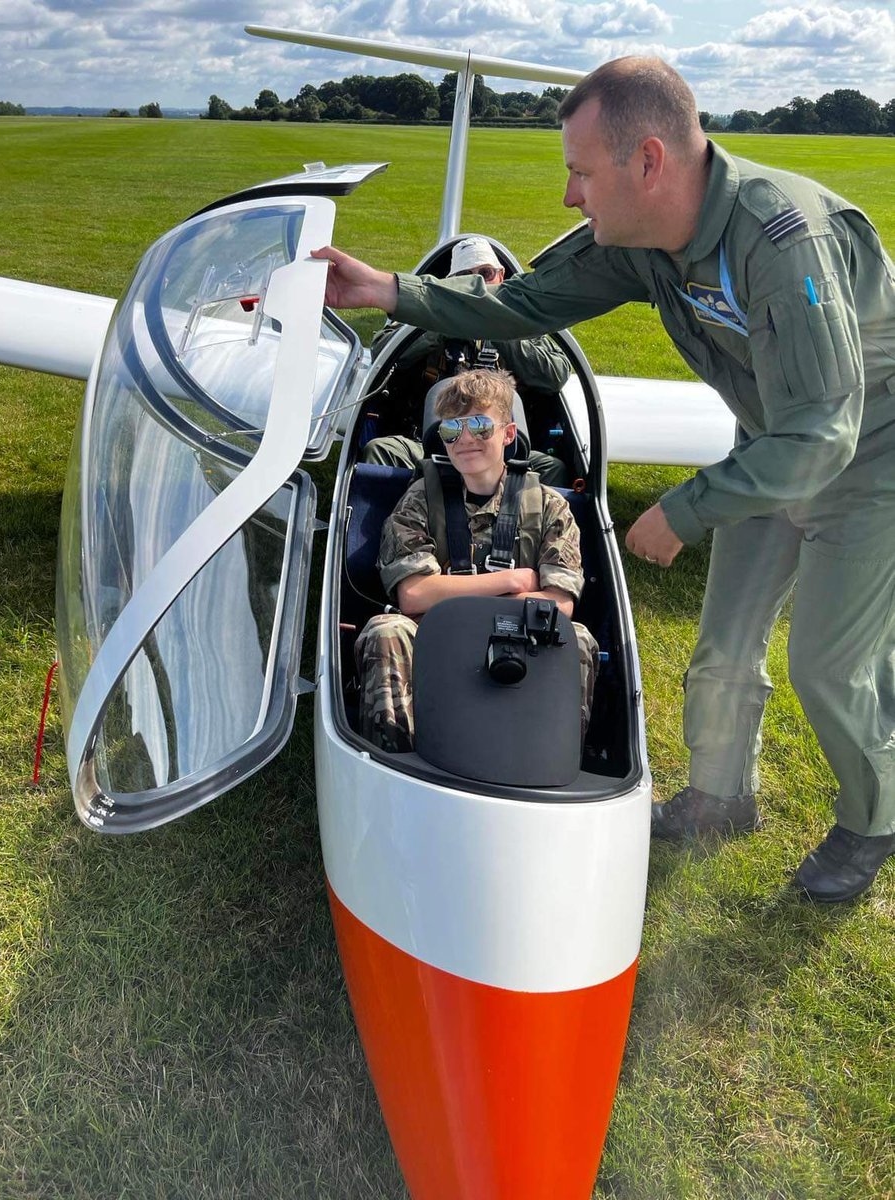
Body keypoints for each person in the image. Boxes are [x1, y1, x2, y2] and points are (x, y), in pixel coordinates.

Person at [314, 56, 895, 904]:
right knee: (724, 647)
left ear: (648, 161)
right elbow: (525, 307)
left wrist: (685, 509)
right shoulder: (649, 240)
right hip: (775, 440)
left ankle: (871, 821)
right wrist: (387, 290)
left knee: (828, 669)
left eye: (581, 172)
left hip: (866, 454)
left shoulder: (781, 239)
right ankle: (721, 798)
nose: (570, 197)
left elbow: (826, 433)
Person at [356, 368, 597, 754]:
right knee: (386, 631)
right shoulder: (420, 499)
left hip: (519, 641)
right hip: (436, 637)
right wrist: (514, 581)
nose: (465, 439)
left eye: (481, 426)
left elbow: (560, 603)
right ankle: (395, 762)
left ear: (508, 434)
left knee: (578, 641)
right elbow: (414, 595)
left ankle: (548, 761)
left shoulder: (548, 506)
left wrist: (456, 595)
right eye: (451, 430)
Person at [363, 235, 573, 487]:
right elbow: (382, 351)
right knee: (380, 451)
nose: (477, 283)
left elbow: (556, 373)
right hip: (432, 444)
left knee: (551, 470)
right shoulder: (427, 316)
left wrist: (502, 327)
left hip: (503, 449)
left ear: (501, 275)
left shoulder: (525, 324)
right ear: (452, 283)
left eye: (485, 273)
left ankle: (526, 522)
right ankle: (399, 522)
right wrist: (444, 319)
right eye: (465, 276)